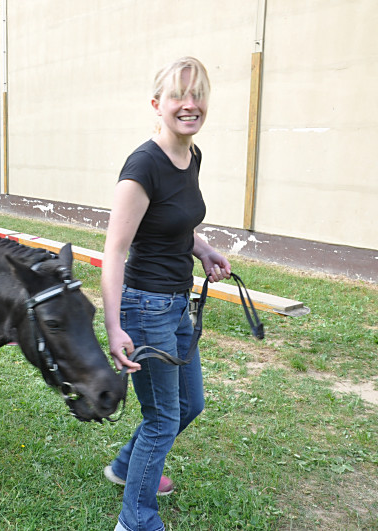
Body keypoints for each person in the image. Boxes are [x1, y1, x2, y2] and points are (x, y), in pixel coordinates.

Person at [101, 57, 231, 531]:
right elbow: (115, 251)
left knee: (189, 405)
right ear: (157, 105)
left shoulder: (191, 156)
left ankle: (125, 466)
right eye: (178, 95)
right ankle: (135, 519)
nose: (190, 104)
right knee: (162, 418)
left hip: (177, 303)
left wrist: (203, 249)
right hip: (144, 306)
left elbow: (175, 223)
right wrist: (113, 326)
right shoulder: (143, 166)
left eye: (198, 95)